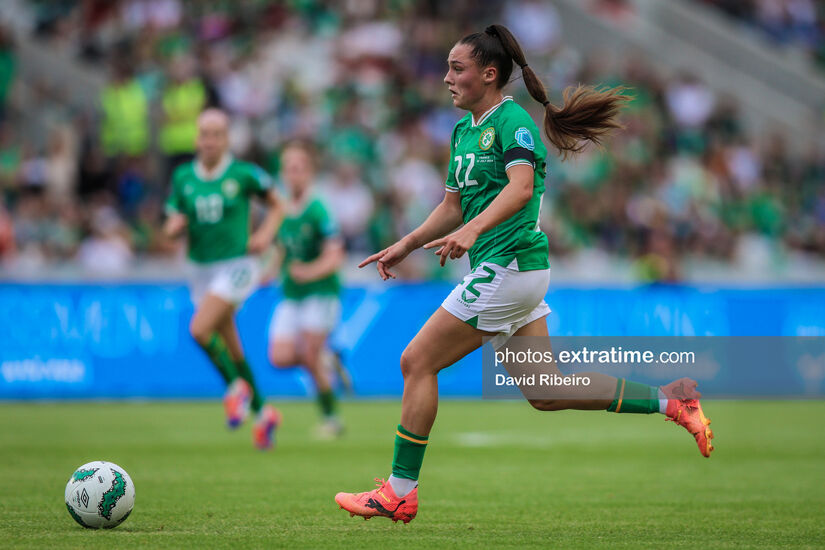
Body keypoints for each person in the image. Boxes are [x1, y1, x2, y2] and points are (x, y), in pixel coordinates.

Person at [334, 24, 714, 524]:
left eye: (457, 68)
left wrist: (472, 232)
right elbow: (453, 204)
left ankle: (400, 491)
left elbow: (519, 188)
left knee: (417, 362)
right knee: (547, 391)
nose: (446, 78)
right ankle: (672, 401)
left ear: (489, 74)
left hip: (506, 267)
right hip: (515, 272)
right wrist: (407, 245)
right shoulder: (465, 129)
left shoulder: (512, 122)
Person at [164, 108, 282, 450]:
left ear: (226, 139)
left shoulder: (243, 174)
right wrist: (173, 228)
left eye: (216, 134)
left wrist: (265, 234)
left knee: (200, 329)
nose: (210, 140)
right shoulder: (183, 176)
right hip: (200, 269)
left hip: (238, 266)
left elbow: (278, 204)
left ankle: (236, 389)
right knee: (232, 346)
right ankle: (263, 413)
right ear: (196, 139)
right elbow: (173, 219)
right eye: (204, 134)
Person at [267, 141, 347, 438]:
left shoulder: (318, 209)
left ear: (309, 172)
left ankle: (331, 419)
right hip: (291, 293)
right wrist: (270, 271)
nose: (292, 174)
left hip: (320, 293)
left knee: (309, 353)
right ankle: (328, 359)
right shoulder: (282, 209)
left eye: (298, 168)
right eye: (288, 169)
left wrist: (309, 271)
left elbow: (335, 256)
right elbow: (281, 247)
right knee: (279, 357)